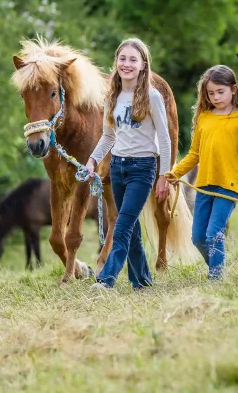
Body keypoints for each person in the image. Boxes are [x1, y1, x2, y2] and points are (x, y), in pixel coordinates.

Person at [166, 65, 238, 280]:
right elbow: (193, 154)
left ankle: (216, 279)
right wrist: (175, 173)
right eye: (211, 93)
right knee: (198, 237)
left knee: (214, 235)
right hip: (204, 185)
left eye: (221, 92)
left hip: (228, 187)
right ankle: (219, 269)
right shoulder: (204, 118)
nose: (216, 97)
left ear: (233, 89)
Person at [86, 38, 172, 290]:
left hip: (142, 169)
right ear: (116, 62)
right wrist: (92, 161)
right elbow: (108, 136)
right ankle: (142, 281)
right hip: (118, 168)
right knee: (131, 228)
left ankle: (105, 280)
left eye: (133, 59)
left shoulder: (152, 97)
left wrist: (164, 175)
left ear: (143, 65)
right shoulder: (111, 97)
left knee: (122, 227)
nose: (126, 64)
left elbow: (164, 140)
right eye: (122, 58)